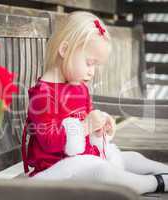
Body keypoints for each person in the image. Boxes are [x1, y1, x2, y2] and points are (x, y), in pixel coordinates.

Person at [21, 11, 168, 195]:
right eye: (89, 63)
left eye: (96, 66)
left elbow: (87, 118)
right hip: (55, 172)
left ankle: (164, 169)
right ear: (65, 50)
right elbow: (49, 141)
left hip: (86, 160)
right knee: (103, 173)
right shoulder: (42, 95)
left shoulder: (78, 87)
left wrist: (101, 126)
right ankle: (155, 182)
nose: (92, 72)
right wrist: (85, 126)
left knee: (131, 158)